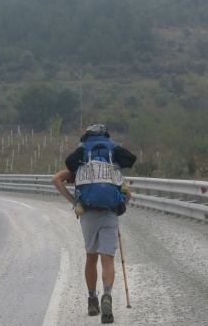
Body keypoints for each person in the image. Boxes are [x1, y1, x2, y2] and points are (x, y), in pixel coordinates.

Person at [52, 124, 136, 324]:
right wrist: (118, 203)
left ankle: (92, 299)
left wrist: (74, 201)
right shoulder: (112, 161)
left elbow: (55, 179)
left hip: (88, 214)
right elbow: (128, 196)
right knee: (107, 258)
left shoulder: (81, 164)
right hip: (109, 214)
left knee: (91, 257)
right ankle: (107, 294)